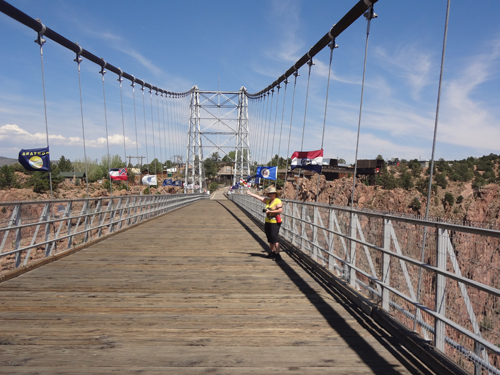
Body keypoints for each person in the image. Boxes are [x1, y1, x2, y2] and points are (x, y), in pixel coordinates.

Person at [247, 186, 283, 261]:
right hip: (268, 221)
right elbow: (258, 198)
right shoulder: (268, 201)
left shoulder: (277, 201)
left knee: (274, 237)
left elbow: (280, 211)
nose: (271, 195)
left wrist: (270, 211)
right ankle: (272, 252)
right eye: (270, 194)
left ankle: (277, 254)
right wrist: (250, 193)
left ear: (275, 194)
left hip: (275, 222)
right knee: (269, 238)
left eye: (273, 193)